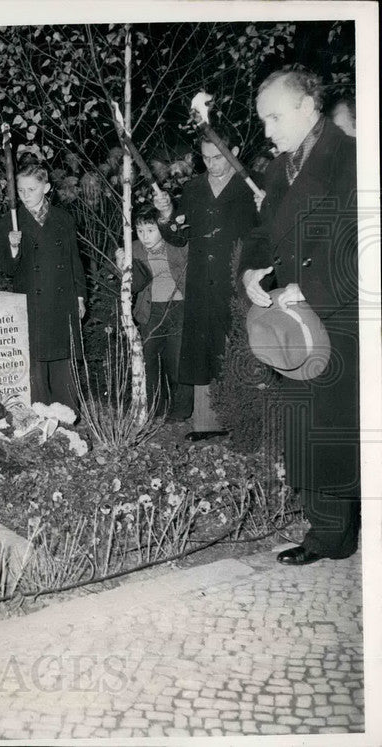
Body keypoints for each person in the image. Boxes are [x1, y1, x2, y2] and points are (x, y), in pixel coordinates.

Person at [241, 67, 359, 566]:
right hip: (295, 323)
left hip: (338, 315)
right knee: (307, 427)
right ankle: (326, 531)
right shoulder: (277, 170)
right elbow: (264, 235)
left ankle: (335, 534)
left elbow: (364, 247)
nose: (266, 130)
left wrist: (307, 289)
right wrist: (253, 272)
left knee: (336, 429)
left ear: (308, 106)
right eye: (262, 120)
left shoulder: (352, 158)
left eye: (273, 117)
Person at [153, 131, 261, 440]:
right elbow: (179, 236)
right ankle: (206, 423)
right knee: (203, 349)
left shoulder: (255, 185)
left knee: (239, 347)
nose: (212, 165)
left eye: (218, 157)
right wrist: (166, 214)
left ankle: (245, 424)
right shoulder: (194, 188)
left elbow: (269, 231)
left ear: (235, 151)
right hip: (202, 281)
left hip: (239, 279)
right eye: (206, 158)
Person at [0, 154, 87, 412]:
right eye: (21, 190)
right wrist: (13, 247)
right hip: (30, 301)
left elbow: (74, 261)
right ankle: (38, 415)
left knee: (63, 358)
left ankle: (66, 414)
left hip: (61, 299)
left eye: (31, 189)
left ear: (46, 188)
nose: (25, 196)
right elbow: (8, 269)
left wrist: (80, 297)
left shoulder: (63, 219)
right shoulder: (10, 221)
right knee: (34, 360)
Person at [128, 205, 193, 421]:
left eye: (150, 230)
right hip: (150, 310)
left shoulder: (176, 245)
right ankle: (154, 407)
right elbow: (129, 284)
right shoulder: (133, 249)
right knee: (149, 360)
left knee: (177, 362)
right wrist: (121, 264)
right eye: (140, 231)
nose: (145, 237)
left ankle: (181, 410)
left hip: (179, 308)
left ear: (161, 228)